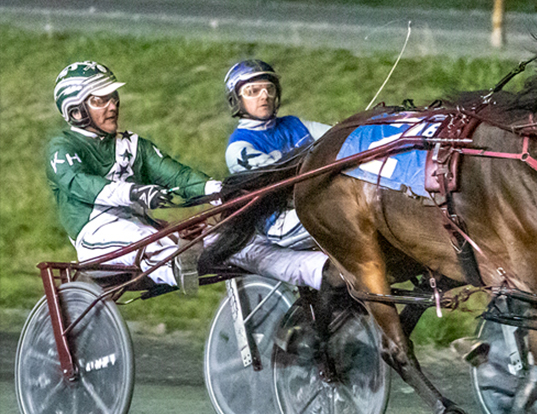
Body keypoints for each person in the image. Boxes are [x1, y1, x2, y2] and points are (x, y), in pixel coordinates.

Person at [46, 60, 327, 295]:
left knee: (239, 240)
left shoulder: (132, 145)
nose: (112, 106)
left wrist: (221, 191)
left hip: (149, 227)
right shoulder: (63, 147)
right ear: (75, 109)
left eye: (113, 97)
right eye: (100, 100)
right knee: (149, 240)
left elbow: (176, 174)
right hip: (97, 234)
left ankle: (320, 271)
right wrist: (134, 192)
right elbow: (79, 183)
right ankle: (178, 265)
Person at [223, 59, 331, 251]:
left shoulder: (294, 124)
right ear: (237, 99)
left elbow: (339, 138)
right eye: (253, 91)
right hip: (280, 221)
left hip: (316, 200)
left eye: (269, 89)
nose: (264, 96)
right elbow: (281, 180)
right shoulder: (239, 149)